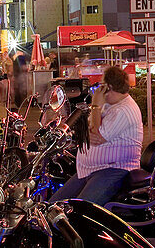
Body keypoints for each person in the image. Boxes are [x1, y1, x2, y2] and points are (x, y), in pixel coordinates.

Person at [52, 65, 143, 205]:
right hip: (90, 169)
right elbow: (90, 131)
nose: (98, 90)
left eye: (101, 85)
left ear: (109, 87)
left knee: (80, 209)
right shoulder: (110, 105)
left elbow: (95, 135)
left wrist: (95, 105)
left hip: (113, 169)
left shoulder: (124, 110)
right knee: (55, 204)